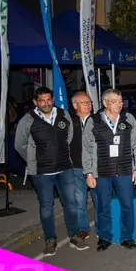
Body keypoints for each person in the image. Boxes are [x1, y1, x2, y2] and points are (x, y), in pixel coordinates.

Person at [15, 87, 83, 256]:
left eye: (49, 100)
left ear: (53, 100)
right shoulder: (27, 120)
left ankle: (74, 235)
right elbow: (19, 145)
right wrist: (33, 159)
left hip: (65, 168)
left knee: (71, 204)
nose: (46, 103)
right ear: (35, 102)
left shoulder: (63, 115)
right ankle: (50, 239)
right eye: (42, 100)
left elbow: (69, 137)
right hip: (41, 172)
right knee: (46, 207)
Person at [83, 89, 136, 252]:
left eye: (120, 101)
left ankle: (127, 237)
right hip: (101, 172)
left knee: (127, 205)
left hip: (125, 170)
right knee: (103, 206)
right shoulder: (94, 121)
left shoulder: (128, 118)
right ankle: (104, 237)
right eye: (114, 101)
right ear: (105, 103)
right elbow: (87, 148)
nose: (119, 104)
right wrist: (89, 172)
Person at [69, 91, 98, 241]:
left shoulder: (98, 121)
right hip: (76, 167)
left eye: (89, 102)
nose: (88, 105)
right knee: (80, 200)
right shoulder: (68, 122)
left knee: (98, 199)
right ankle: (83, 228)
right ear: (75, 105)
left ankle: (101, 228)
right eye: (84, 102)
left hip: (95, 167)